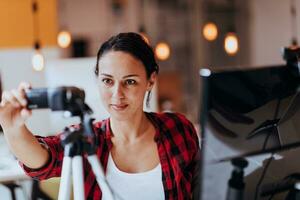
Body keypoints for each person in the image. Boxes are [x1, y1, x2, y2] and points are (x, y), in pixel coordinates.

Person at [0, 32, 200, 200]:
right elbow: (42, 161)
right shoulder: (88, 140)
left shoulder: (178, 129)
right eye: (107, 81)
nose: (117, 94)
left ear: (150, 80)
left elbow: (204, 189)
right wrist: (12, 126)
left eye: (129, 82)